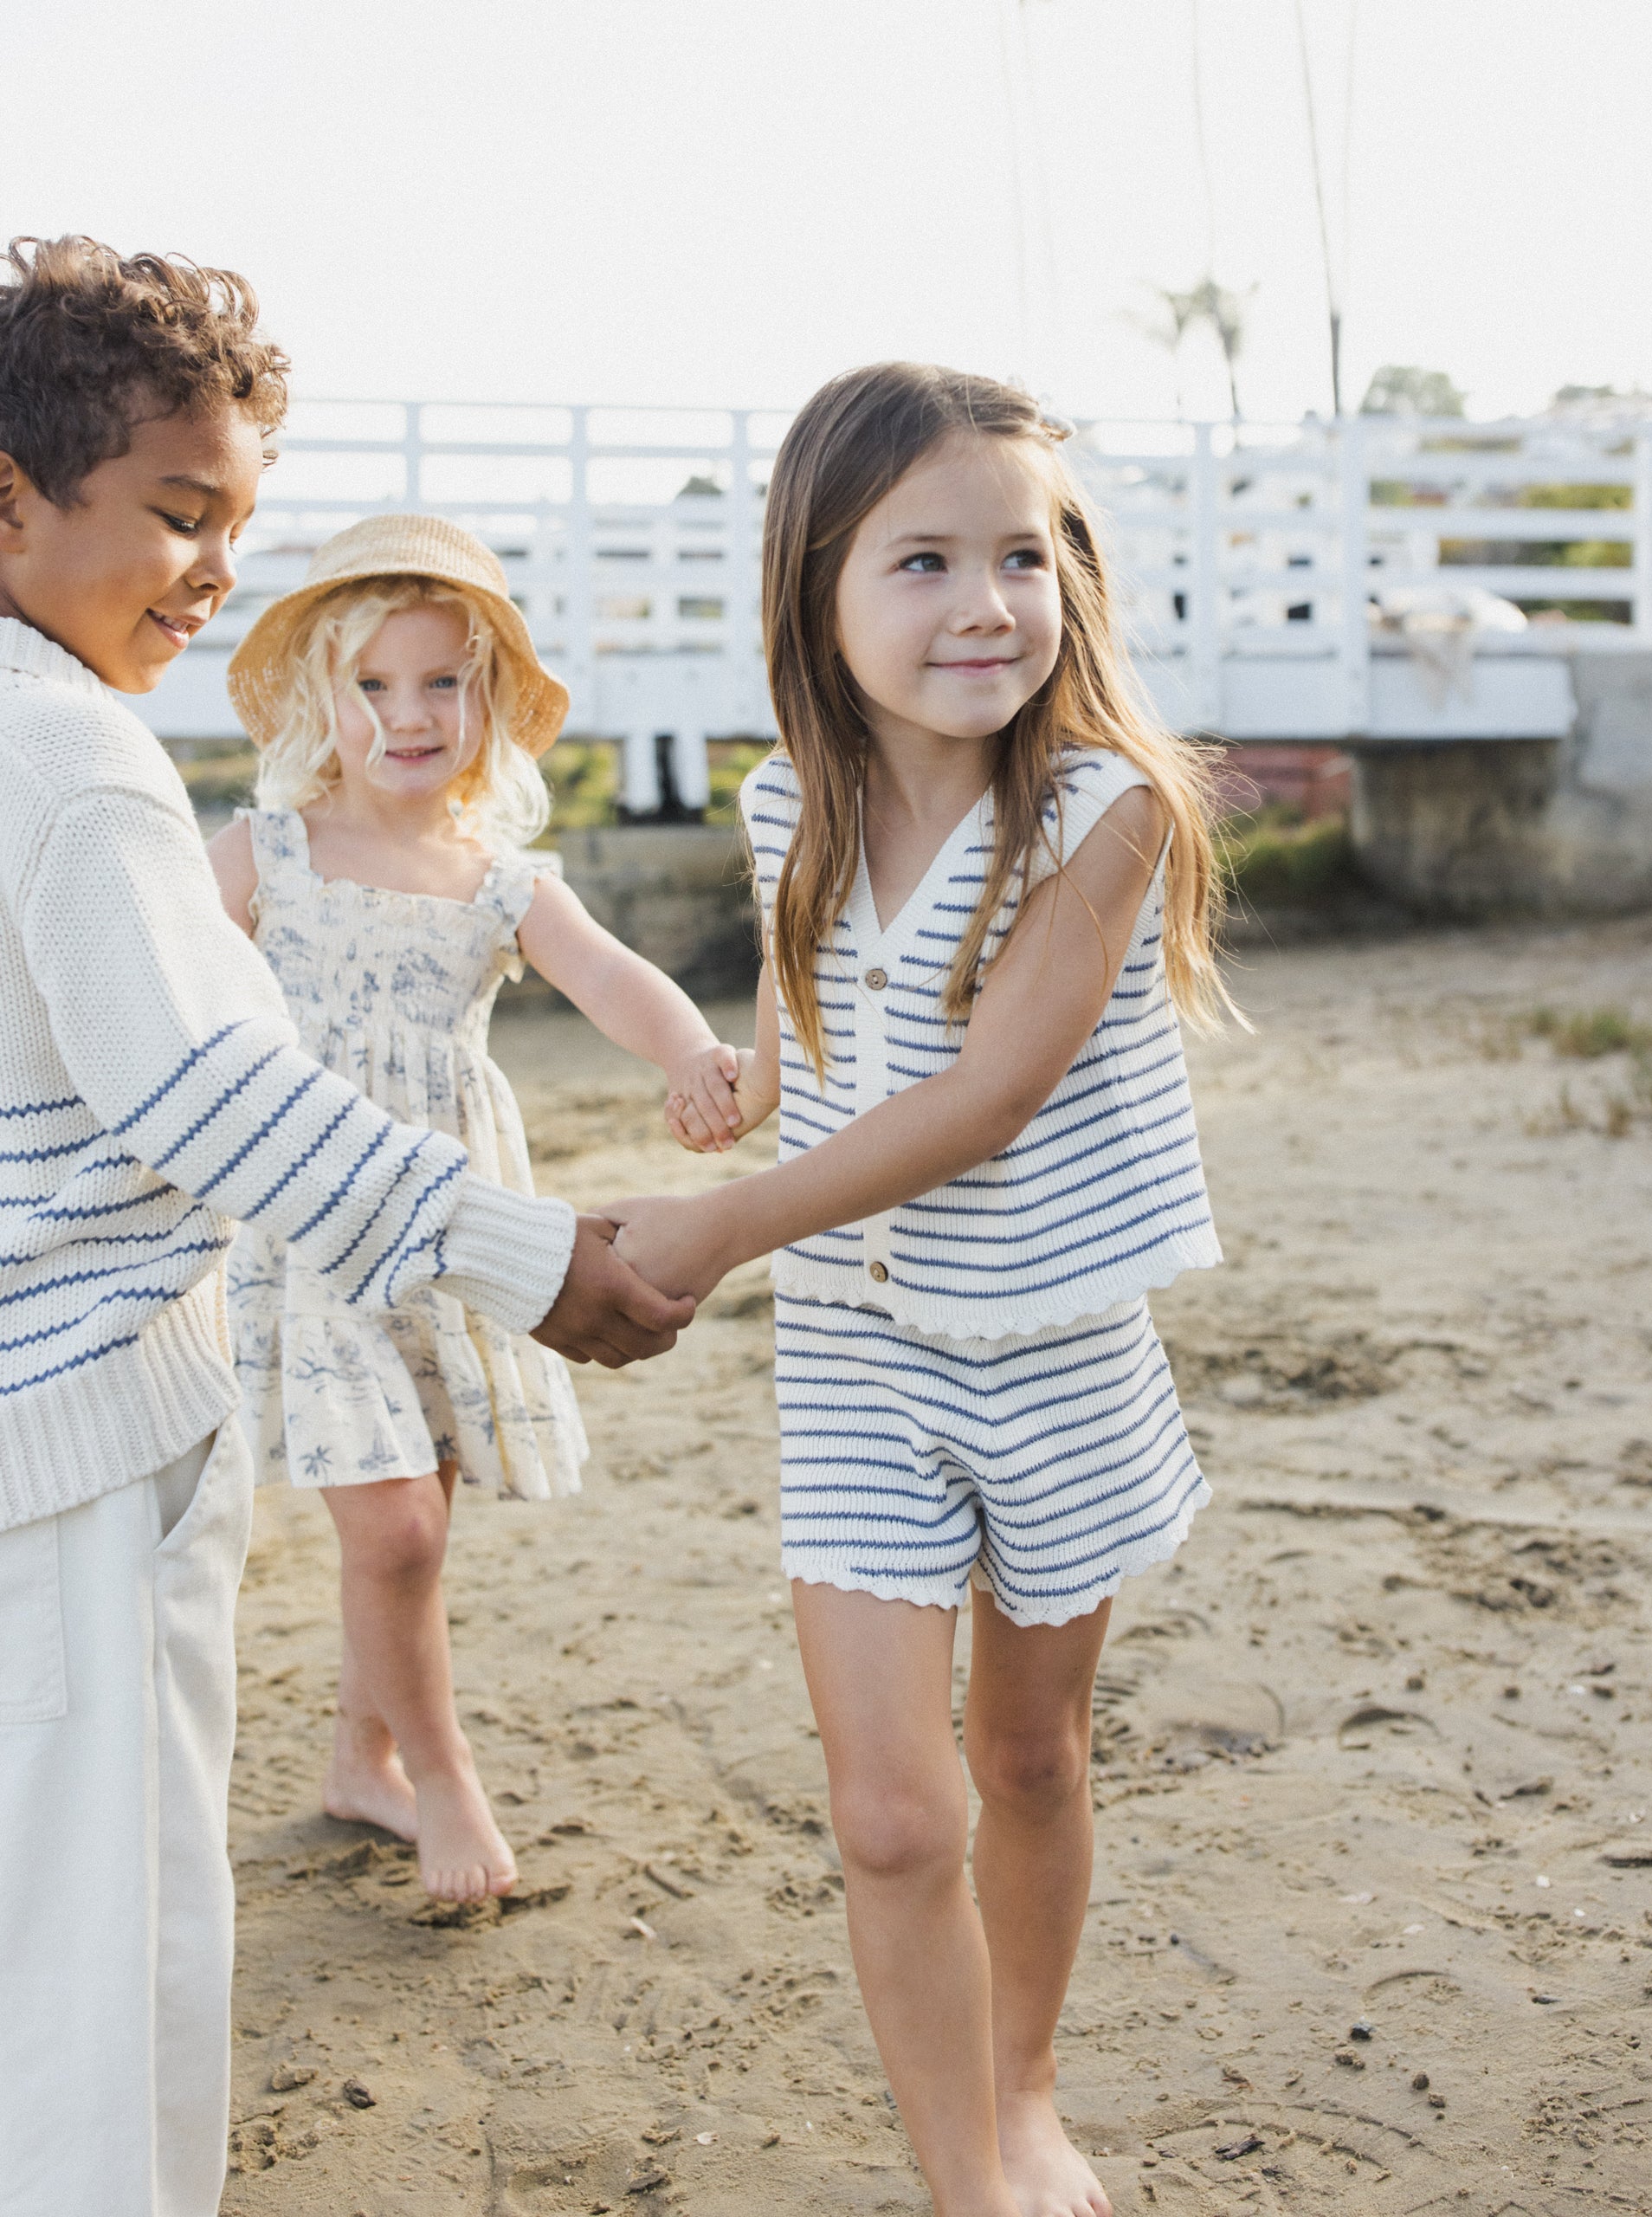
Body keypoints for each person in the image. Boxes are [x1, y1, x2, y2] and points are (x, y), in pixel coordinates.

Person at [0, 236, 690, 2217]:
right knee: (100, 1979)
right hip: (74, 1457)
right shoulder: (73, 762)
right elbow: (216, 1083)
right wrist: (537, 1257)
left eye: (238, 523)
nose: (214, 567)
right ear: (14, 495)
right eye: (179, 514)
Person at [614, 362, 1236, 2217]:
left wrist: (720, 1225)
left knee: (1026, 1753)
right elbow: (832, 1044)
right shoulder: (779, 803)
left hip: (1054, 1351)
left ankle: (1023, 2081)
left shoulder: (1103, 812)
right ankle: (974, 2178)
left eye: (1023, 556)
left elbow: (987, 1096)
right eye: (923, 560)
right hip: (858, 1355)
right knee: (893, 1813)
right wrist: (737, 1091)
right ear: (819, 588)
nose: (986, 601)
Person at [209, 514, 744, 1904]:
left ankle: (355, 1759)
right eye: (375, 685)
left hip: (451, 1229)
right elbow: (161, 991)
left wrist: (692, 1054)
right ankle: (441, 1780)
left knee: (419, 1503)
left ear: (486, 700)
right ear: (321, 700)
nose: (409, 714)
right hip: (313, 1214)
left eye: (442, 682)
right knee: (395, 1530)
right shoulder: (266, 850)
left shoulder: (501, 881)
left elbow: (618, 978)